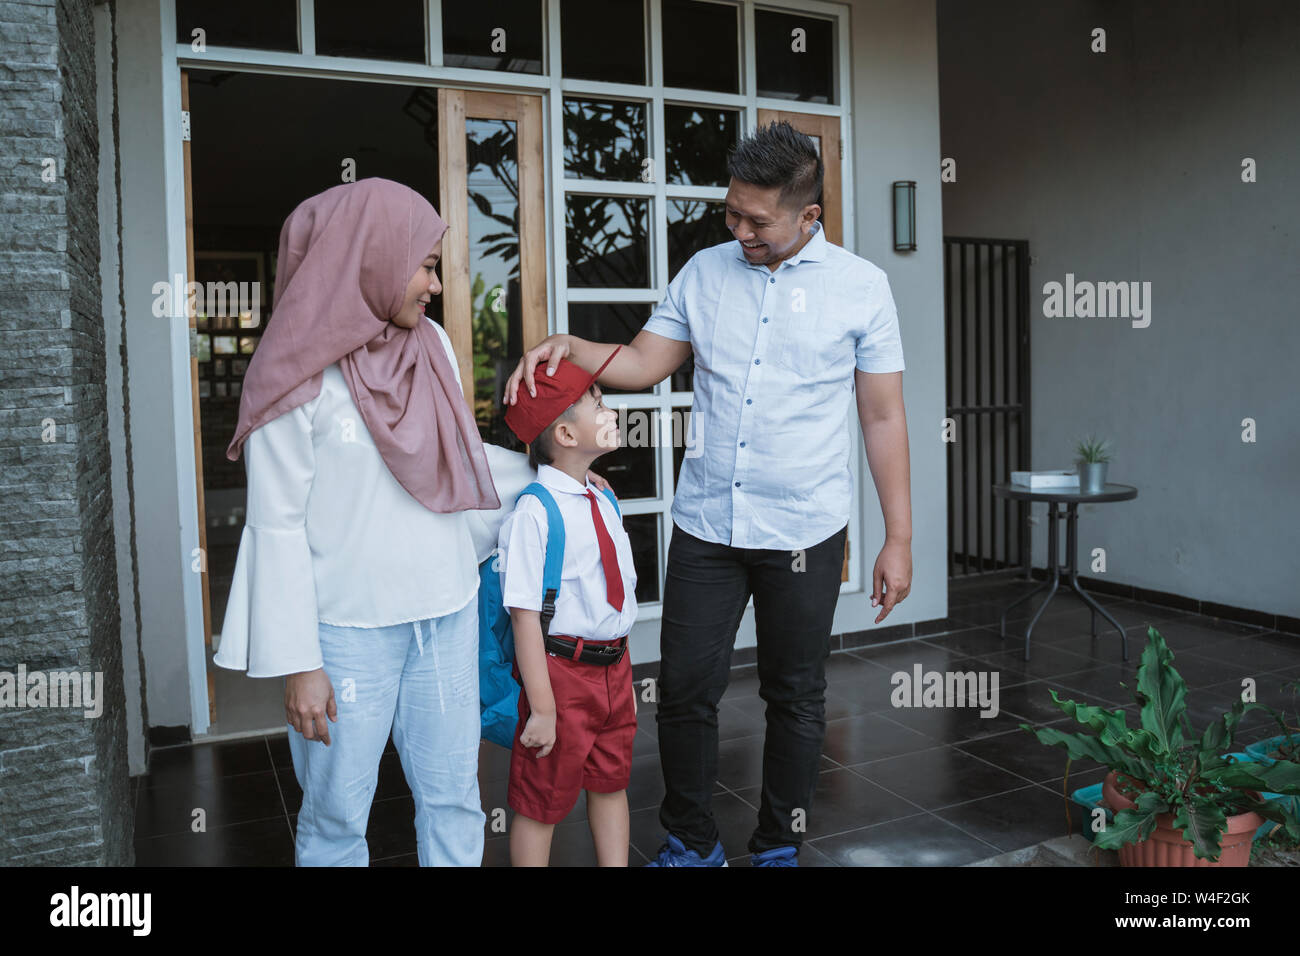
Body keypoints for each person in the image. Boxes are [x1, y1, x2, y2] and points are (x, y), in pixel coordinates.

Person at [504, 121, 913, 866]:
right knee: (686, 690)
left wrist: (899, 537)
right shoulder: (704, 273)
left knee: (796, 696)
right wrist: (570, 347)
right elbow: (640, 364)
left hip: (803, 530)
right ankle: (691, 843)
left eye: (758, 220)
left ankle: (777, 845)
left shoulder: (862, 289)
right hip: (707, 527)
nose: (740, 229)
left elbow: (882, 415)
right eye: (732, 212)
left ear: (808, 217)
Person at [215, 177, 599, 866]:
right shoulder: (291, 375)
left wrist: (557, 481)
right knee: (336, 816)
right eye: (422, 265)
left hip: (444, 615)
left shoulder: (432, 347)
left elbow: (453, 454)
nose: (433, 283)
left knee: (454, 798)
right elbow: (274, 526)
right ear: (369, 257)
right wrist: (300, 664)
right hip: (345, 634)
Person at [496, 348, 640, 866]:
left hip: (613, 669)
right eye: (597, 405)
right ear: (564, 436)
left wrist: (620, 677)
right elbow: (524, 617)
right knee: (541, 802)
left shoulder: (602, 497)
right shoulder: (534, 515)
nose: (612, 413)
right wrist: (543, 707)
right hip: (559, 674)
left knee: (611, 782)